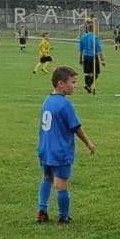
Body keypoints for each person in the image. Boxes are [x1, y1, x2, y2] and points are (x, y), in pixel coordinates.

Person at [36, 65, 95, 225]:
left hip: (45, 148)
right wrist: (88, 143)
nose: (75, 85)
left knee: (47, 177)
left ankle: (42, 210)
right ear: (61, 84)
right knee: (61, 183)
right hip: (60, 150)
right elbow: (76, 127)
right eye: (73, 82)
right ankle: (63, 217)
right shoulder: (65, 105)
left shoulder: (47, 100)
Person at [78, 21, 103, 94]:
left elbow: (81, 50)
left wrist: (80, 59)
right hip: (93, 57)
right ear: (94, 29)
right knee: (96, 73)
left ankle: (88, 87)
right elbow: (99, 50)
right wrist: (102, 59)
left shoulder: (83, 37)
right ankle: (88, 85)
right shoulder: (95, 38)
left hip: (85, 56)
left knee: (87, 73)